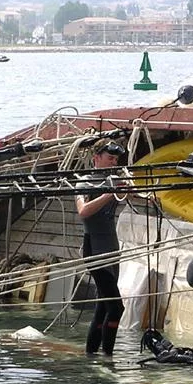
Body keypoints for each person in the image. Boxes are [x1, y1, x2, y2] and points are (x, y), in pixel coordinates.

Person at [75, 140, 128, 355]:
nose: (113, 162)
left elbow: (129, 196)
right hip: (95, 249)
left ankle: (91, 353)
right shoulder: (84, 183)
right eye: (110, 158)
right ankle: (108, 356)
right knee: (116, 308)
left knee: (103, 306)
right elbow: (83, 211)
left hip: (112, 249)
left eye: (116, 159)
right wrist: (109, 193)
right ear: (96, 158)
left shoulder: (113, 180)